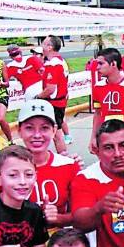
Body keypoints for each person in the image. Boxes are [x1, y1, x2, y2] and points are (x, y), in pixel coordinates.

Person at [14, 99, 77, 232]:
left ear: (54, 130)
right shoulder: (7, 168)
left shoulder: (69, 166)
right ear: (19, 131)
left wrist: (58, 218)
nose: (37, 135)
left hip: (58, 244)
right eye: (29, 128)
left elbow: (79, 216)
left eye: (44, 128)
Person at [36, 36, 71, 153]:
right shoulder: (60, 61)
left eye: (44, 44)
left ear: (50, 47)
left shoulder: (54, 64)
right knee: (57, 132)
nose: (42, 47)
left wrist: (38, 97)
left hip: (54, 103)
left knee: (57, 135)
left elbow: (50, 89)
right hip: (59, 102)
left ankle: (64, 159)